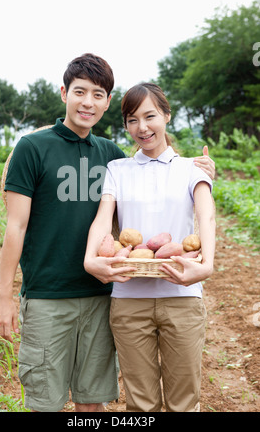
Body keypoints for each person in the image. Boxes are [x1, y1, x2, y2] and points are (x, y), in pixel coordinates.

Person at [0, 54, 215, 413]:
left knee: (93, 402)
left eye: (98, 94)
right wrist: (4, 296)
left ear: (107, 102)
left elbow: (156, 171)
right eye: (79, 92)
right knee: (45, 402)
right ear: (64, 92)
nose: (87, 102)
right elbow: (15, 225)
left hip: (102, 295)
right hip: (49, 295)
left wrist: (200, 169)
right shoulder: (32, 148)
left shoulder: (110, 155)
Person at [84, 82, 216, 412]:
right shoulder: (118, 169)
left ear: (167, 116)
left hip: (182, 297)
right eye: (131, 120)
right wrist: (90, 259)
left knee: (185, 401)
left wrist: (208, 263)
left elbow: (206, 213)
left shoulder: (192, 167)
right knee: (141, 404)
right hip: (129, 302)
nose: (142, 127)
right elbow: (103, 218)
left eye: (150, 116)